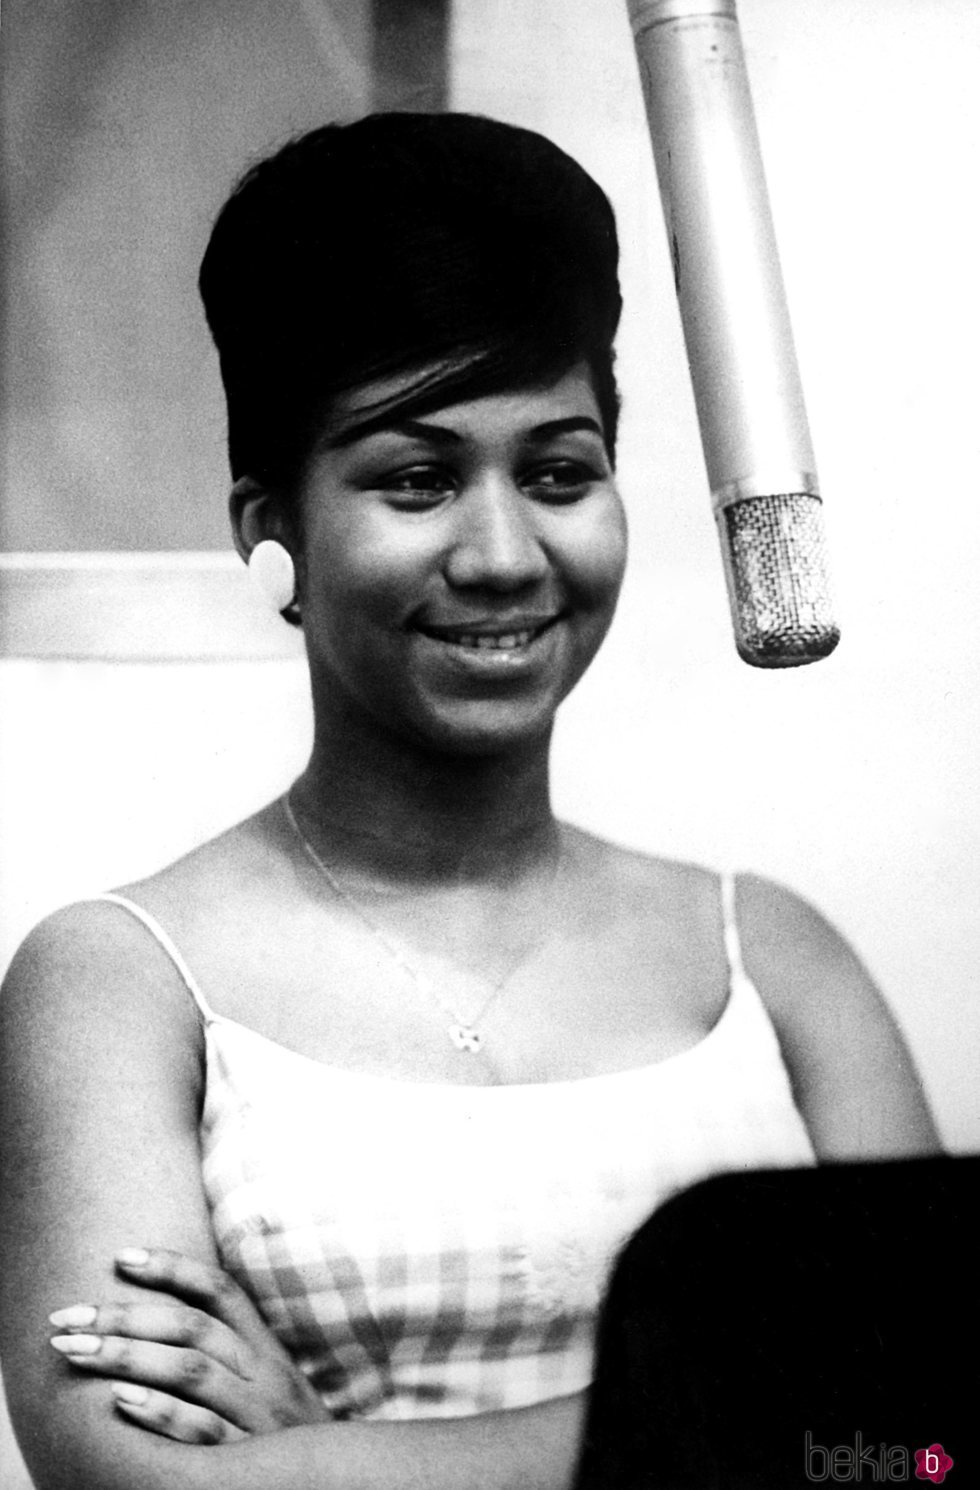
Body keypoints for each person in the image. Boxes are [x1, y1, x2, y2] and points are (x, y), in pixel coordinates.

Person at [0, 113, 939, 1490]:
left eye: (560, 471)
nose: (503, 553)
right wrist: (760, 1411)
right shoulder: (118, 980)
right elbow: (143, 1481)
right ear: (273, 533)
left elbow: (937, 1434)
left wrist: (331, 1456)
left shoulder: (775, 960)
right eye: (417, 478)